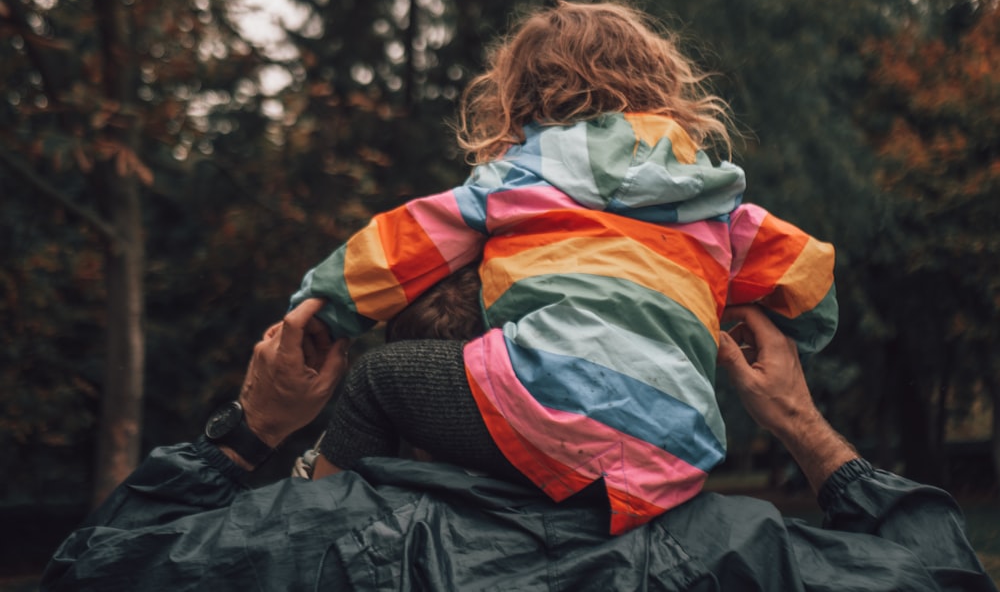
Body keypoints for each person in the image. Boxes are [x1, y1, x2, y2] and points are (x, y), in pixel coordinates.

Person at [289, 0, 839, 533]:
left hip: (545, 404)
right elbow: (808, 273)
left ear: (521, 100)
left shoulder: (520, 176)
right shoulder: (715, 204)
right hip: (675, 449)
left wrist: (323, 307)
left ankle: (307, 535)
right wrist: (801, 330)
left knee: (376, 382)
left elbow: (401, 245)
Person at [41, 302, 997, 591]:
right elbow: (945, 576)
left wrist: (251, 429)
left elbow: (88, 573)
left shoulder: (303, 541)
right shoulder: (734, 556)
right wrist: (799, 423)